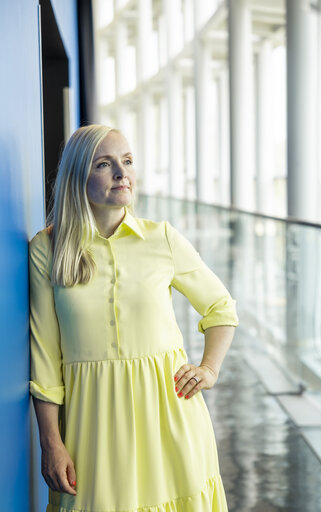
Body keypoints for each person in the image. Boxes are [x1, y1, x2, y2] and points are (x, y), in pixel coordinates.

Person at [29, 124, 239, 512]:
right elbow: (44, 361)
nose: (122, 173)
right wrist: (51, 442)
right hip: (92, 426)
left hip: (171, 417)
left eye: (127, 161)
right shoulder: (48, 249)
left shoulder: (162, 238)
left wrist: (209, 369)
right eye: (104, 164)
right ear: (78, 177)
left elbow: (221, 307)